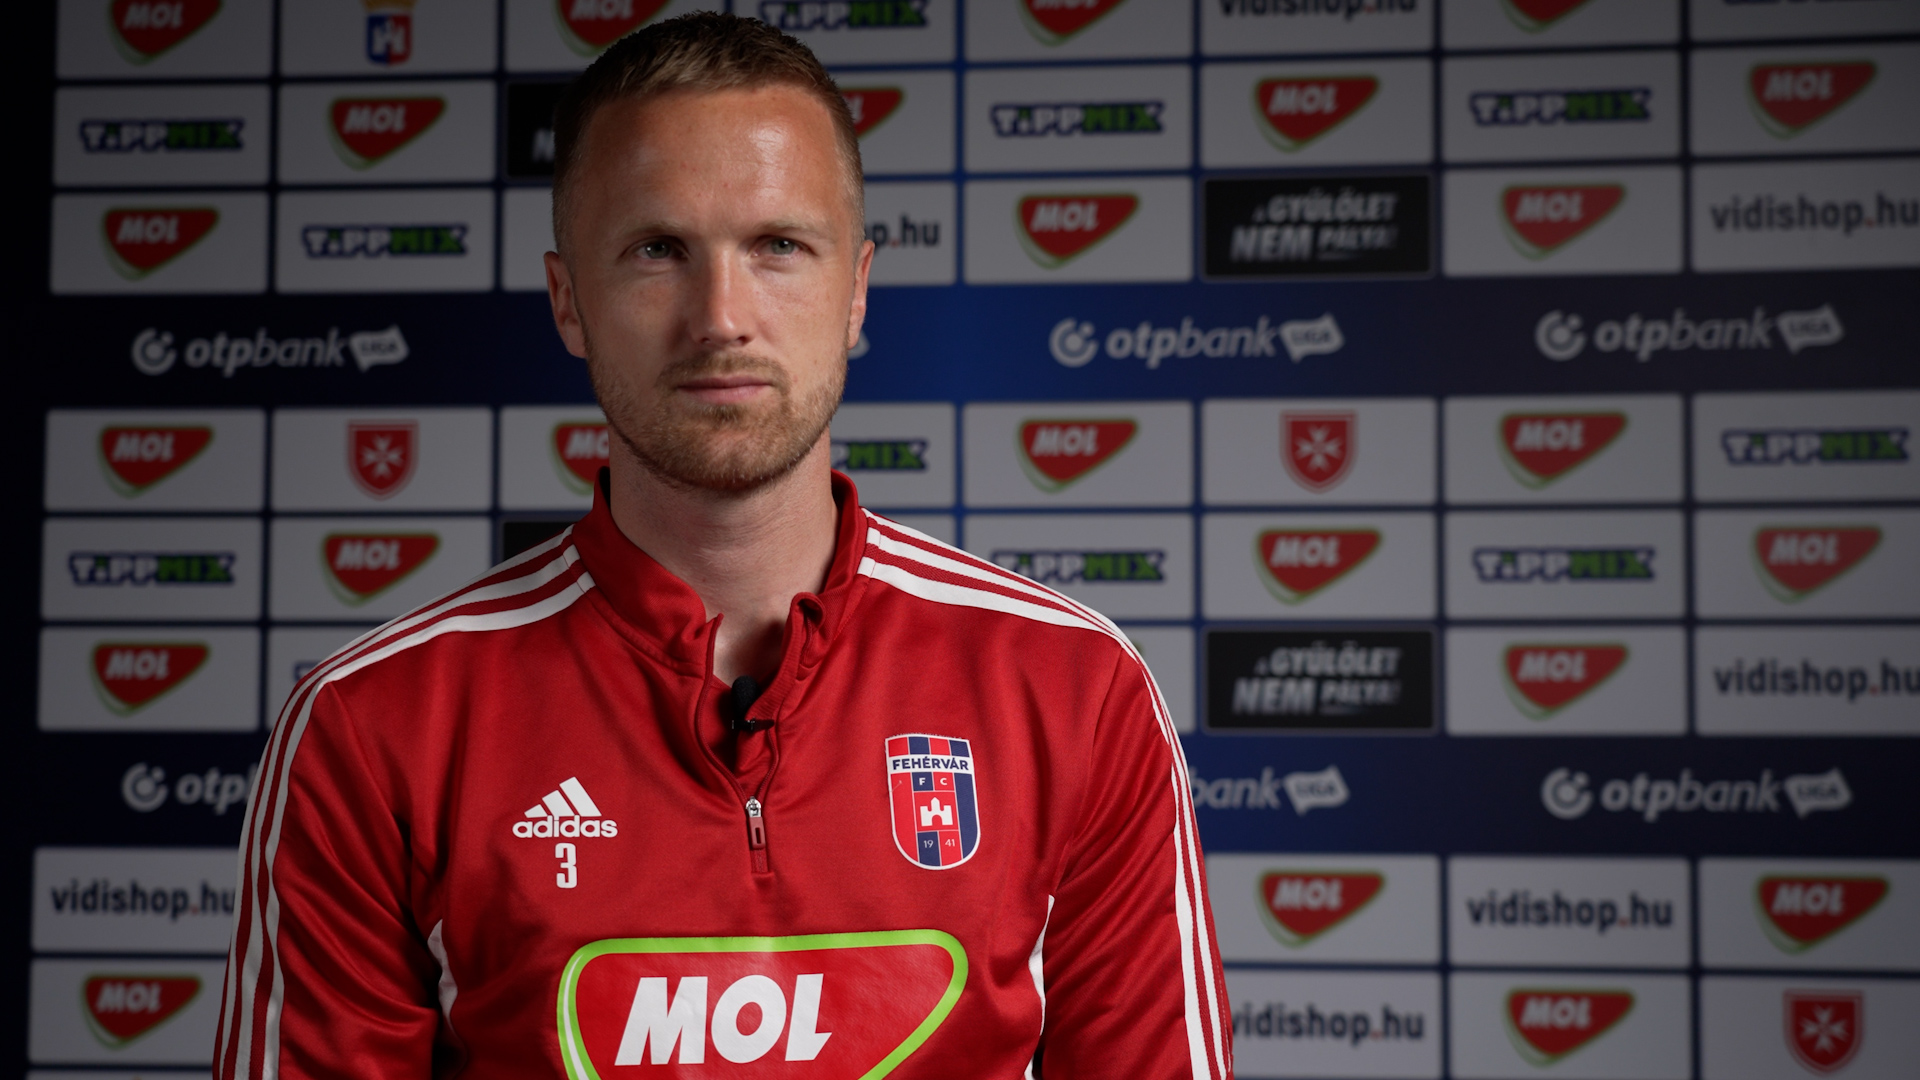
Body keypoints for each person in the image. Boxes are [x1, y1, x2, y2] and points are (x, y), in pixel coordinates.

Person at [216, 13, 1230, 1079]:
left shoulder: (1075, 689)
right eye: (658, 250)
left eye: (778, 246)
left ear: (856, 291)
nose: (721, 316)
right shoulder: (374, 722)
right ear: (569, 301)